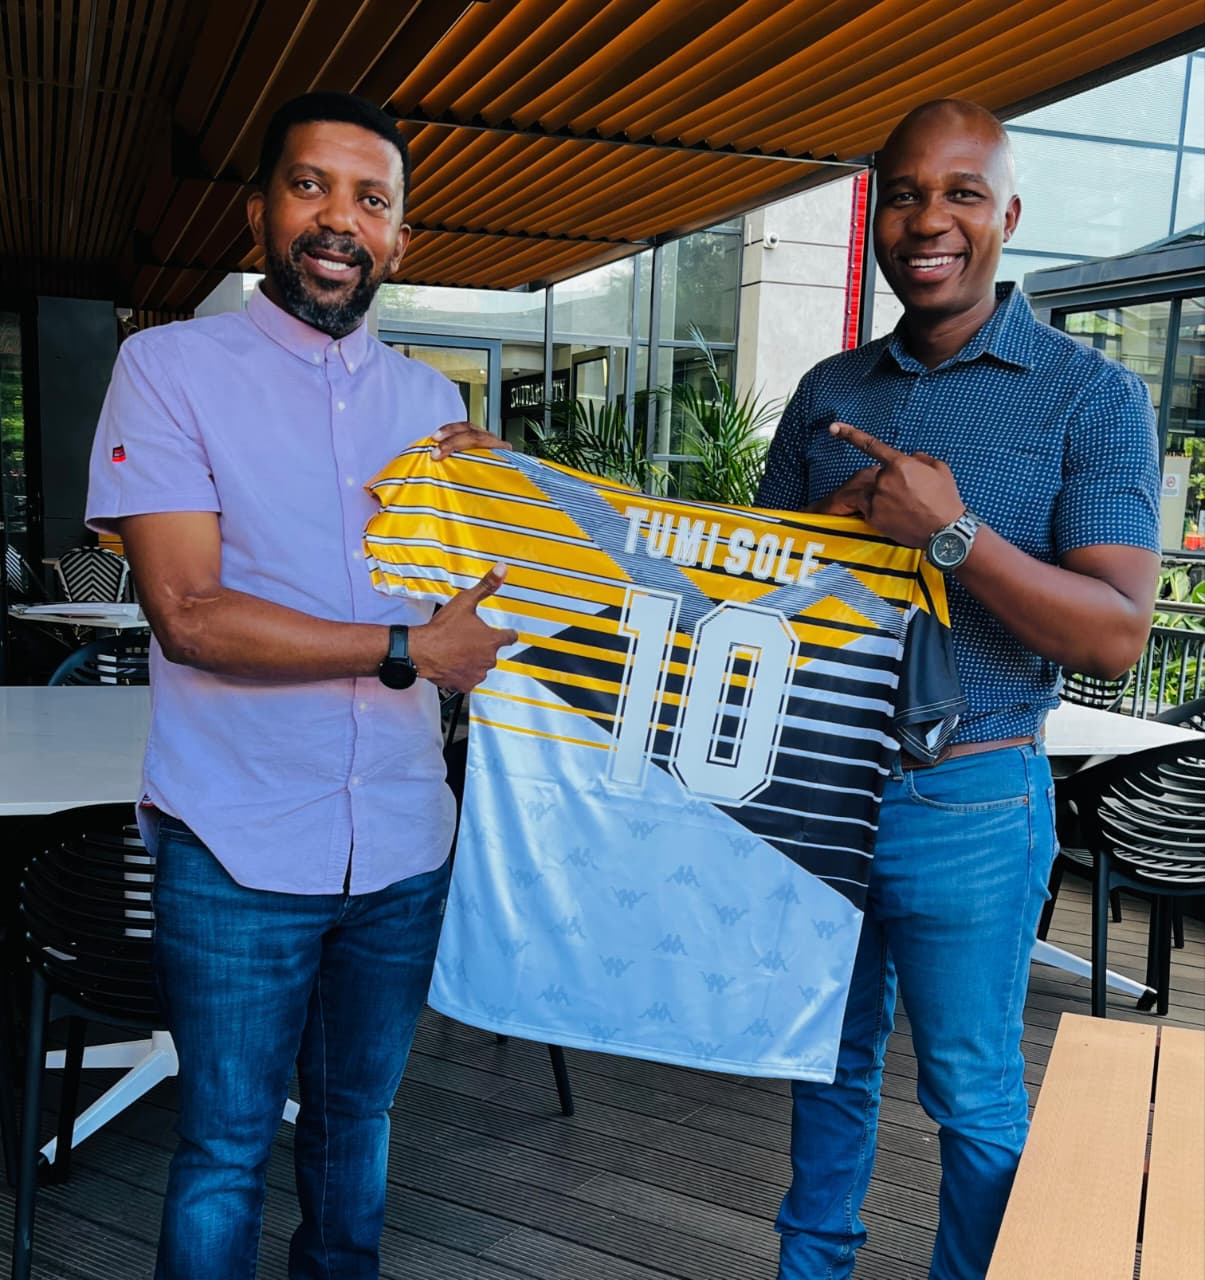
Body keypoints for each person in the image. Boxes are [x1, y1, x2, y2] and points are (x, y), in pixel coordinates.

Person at [85, 92, 516, 1279]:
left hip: (401, 841)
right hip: (237, 841)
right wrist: (404, 648)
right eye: (310, 185)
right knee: (223, 1149)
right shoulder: (165, 368)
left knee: (357, 1126)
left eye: (370, 200)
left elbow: (482, 607)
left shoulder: (433, 407)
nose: (339, 219)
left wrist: (518, 507)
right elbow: (188, 613)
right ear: (259, 211)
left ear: (399, 240)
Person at [756, 99, 1160, 1280]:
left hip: (972, 798)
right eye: (904, 194)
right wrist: (826, 534)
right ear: (877, 213)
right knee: (820, 1066)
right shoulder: (829, 388)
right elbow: (755, 587)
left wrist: (952, 533)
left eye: (961, 193)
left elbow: (1117, 633)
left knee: (972, 1095)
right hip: (819, 789)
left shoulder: (1088, 395)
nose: (928, 219)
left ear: (1007, 215)